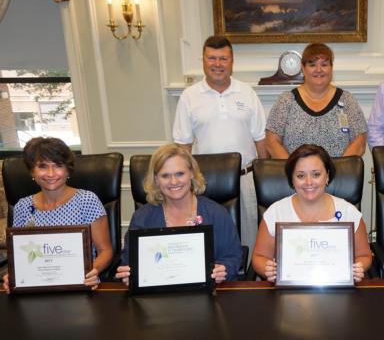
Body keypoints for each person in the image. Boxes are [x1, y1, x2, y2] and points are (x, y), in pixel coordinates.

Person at [172, 35, 267, 255]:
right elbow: (183, 147)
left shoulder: (247, 93)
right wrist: (186, 184)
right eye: (211, 58)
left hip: (246, 179)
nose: (217, 64)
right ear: (203, 61)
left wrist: (263, 179)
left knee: (250, 237)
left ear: (232, 61)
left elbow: (261, 140)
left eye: (223, 59)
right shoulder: (189, 97)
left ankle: (249, 284)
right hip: (204, 182)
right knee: (208, 239)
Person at [115, 144, 243, 285]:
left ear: (191, 173)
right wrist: (129, 275)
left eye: (180, 174)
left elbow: (233, 257)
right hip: (158, 298)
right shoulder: (142, 217)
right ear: (156, 179)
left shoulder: (217, 213)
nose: (174, 182)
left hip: (208, 294)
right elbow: (128, 262)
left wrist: (224, 270)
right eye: (165, 176)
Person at [2, 137, 112, 292]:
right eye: (42, 166)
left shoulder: (87, 200)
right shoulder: (22, 206)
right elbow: (19, 256)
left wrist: (91, 272)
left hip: (80, 284)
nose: (51, 173)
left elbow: (105, 251)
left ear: (68, 170)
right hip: (36, 287)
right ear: (32, 171)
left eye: (58, 166)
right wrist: (13, 275)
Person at [252, 144, 372, 282]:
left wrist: (358, 267)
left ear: (327, 176)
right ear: (292, 179)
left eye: (316, 174)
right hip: (288, 293)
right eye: (300, 175)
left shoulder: (348, 212)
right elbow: (259, 257)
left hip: (337, 291)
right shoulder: (276, 213)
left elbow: (364, 255)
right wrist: (268, 269)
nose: (309, 182)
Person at [266, 43, 367, 158]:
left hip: (338, 174)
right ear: (303, 68)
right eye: (312, 65)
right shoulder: (286, 100)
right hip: (296, 174)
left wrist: (338, 171)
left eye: (324, 64)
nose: (319, 70)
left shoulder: (347, 100)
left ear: (331, 68)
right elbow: (271, 142)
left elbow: (360, 142)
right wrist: (294, 171)